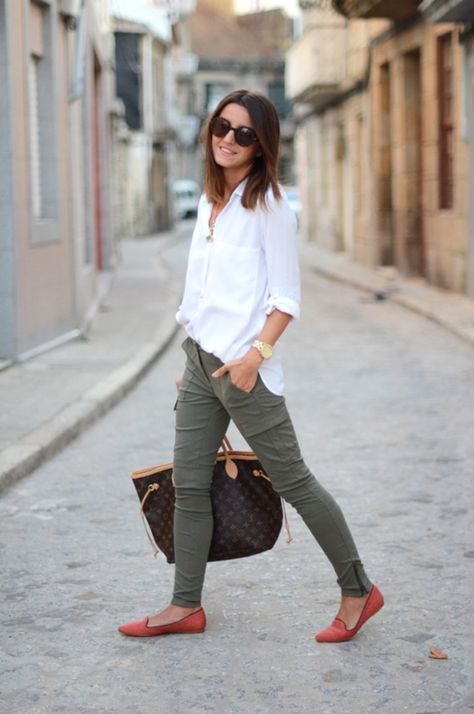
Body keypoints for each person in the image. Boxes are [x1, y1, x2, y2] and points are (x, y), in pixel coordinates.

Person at [118, 89, 383, 643]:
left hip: (245, 370)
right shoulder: (212, 207)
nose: (228, 139)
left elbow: (286, 299)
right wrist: (191, 354)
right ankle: (184, 605)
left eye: (243, 133)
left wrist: (253, 359)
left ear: (261, 146)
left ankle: (358, 588)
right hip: (199, 364)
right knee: (189, 484)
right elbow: (203, 294)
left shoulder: (270, 209)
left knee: (294, 482)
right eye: (222, 125)